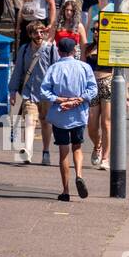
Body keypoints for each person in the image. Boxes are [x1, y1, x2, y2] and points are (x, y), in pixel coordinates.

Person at [40, 36, 98, 201]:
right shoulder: (84, 67)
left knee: (63, 152)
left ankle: (65, 190)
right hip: (79, 114)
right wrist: (78, 100)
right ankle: (79, 174)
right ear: (74, 51)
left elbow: (44, 92)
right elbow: (92, 89)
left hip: (60, 116)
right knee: (77, 148)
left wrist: (61, 100)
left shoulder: (53, 68)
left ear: (59, 51)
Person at [11, 20, 56, 165]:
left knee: (45, 123)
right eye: (35, 32)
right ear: (30, 34)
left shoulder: (50, 49)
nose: (39, 35)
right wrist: (12, 91)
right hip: (29, 92)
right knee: (30, 121)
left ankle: (46, 151)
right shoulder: (24, 50)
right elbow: (18, 71)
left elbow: (57, 70)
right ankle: (27, 152)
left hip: (47, 93)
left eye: (42, 32)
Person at [83, 0, 114, 170]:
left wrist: (125, 94)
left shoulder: (110, 48)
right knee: (91, 125)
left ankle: (106, 158)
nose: (96, 32)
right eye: (94, 30)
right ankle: (97, 144)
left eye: (99, 29)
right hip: (92, 85)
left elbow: (120, 71)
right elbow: (83, 69)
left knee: (106, 122)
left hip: (108, 82)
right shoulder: (87, 48)